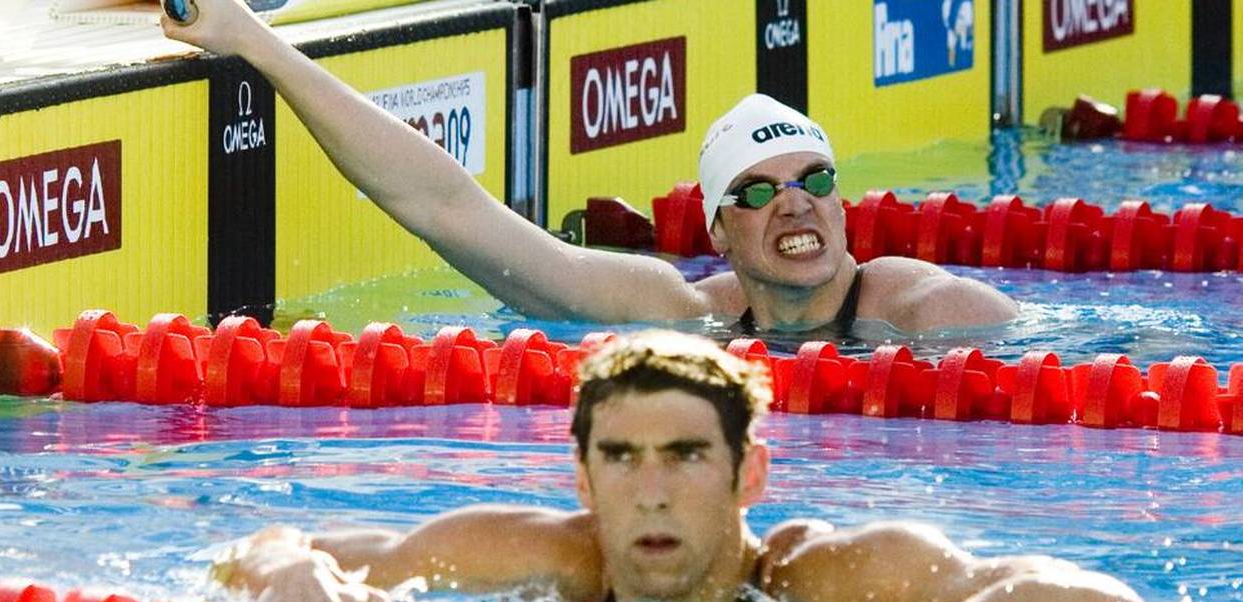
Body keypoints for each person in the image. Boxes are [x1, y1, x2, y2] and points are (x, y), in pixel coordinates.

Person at [214, 330, 1149, 602]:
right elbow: (250, 551)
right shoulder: (547, 554)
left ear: (751, 473)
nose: (650, 492)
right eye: (621, 458)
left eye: (686, 456)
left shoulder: (822, 578)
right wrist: (290, 572)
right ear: (581, 476)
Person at [160, 1, 1018, 335]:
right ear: (718, 230)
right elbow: (450, 209)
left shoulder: (937, 313)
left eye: (814, 180)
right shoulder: (682, 314)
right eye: (759, 193)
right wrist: (252, 41)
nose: (795, 205)